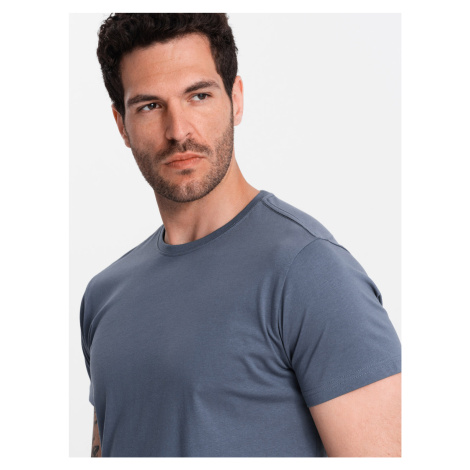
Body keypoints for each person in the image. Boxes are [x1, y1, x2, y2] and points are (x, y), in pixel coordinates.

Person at [80, 13, 401, 458]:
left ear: (236, 99)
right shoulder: (103, 296)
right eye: (150, 106)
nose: (178, 131)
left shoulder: (310, 271)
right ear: (122, 125)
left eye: (199, 95)